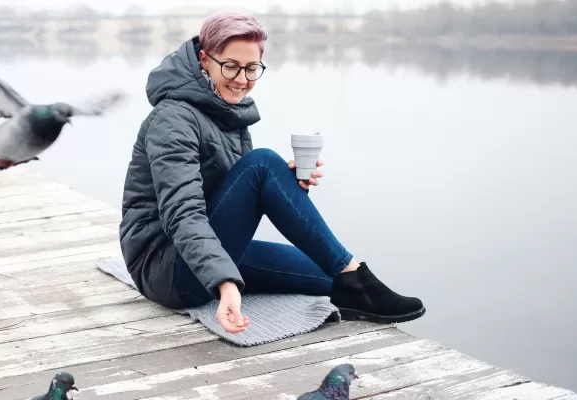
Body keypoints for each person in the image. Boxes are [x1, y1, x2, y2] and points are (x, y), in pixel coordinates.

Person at [119, 11, 425, 334]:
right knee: (263, 165)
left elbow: (233, 197)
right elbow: (182, 213)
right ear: (204, 59)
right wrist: (225, 284)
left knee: (326, 276)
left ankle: (352, 284)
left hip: (208, 245)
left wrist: (291, 189)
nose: (241, 79)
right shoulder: (173, 118)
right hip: (165, 266)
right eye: (231, 66)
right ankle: (357, 278)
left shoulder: (226, 111)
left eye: (251, 68)